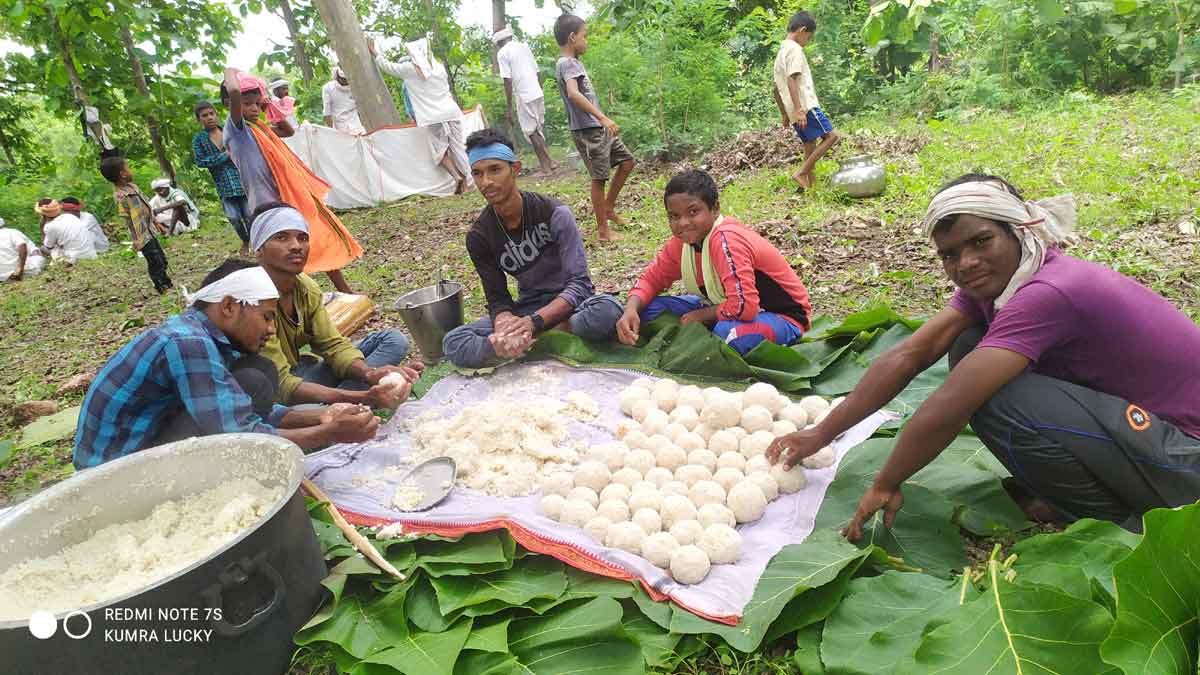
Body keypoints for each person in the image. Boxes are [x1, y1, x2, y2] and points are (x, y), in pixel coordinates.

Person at [768, 174, 1200, 535]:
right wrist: (821, 434)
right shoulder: (1005, 282)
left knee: (995, 397)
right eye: (951, 254)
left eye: (981, 242)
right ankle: (1084, 495)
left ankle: (1123, 527)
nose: (967, 263)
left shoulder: (1049, 292)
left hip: (1186, 456)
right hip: (1150, 433)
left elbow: (951, 404)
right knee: (967, 343)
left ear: (1020, 231)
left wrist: (886, 483)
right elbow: (911, 355)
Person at [73, 260, 401, 469]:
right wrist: (326, 432)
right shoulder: (187, 343)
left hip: (150, 440)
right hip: (116, 470)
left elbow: (246, 411)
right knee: (257, 385)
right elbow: (241, 435)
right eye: (266, 317)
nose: (271, 329)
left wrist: (326, 414)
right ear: (229, 306)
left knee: (256, 378)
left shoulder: (211, 338)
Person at [442, 129, 622, 368]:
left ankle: (529, 344)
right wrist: (505, 324)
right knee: (454, 342)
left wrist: (536, 323)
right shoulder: (479, 236)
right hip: (527, 309)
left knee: (606, 311)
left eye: (495, 169)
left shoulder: (554, 214)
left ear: (515, 169)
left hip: (570, 306)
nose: (486, 181)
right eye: (478, 173)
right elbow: (497, 297)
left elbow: (580, 285)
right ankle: (532, 343)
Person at [616, 169, 812, 356]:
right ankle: (708, 335)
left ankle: (711, 336)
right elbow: (651, 279)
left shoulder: (727, 240)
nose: (683, 222)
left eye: (693, 212)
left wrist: (702, 316)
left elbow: (745, 307)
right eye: (674, 216)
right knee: (649, 310)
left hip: (780, 316)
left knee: (729, 335)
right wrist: (630, 309)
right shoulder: (682, 243)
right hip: (719, 305)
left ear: (715, 208)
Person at [251, 202, 416, 407]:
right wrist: (362, 397)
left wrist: (370, 374)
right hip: (273, 390)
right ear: (258, 250)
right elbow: (282, 384)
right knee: (301, 410)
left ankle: (333, 404)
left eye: (302, 238)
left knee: (393, 340)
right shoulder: (251, 301)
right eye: (281, 237)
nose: (296, 246)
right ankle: (339, 404)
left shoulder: (305, 288)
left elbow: (332, 344)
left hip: (302, 372)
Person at [223, 67, 360, 293]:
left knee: (312, 237)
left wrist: (267, 103)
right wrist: (230, 71)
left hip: (286, 197)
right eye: (248, 104)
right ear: (230, 105)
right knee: (284, 256)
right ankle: (293, 300)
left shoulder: (261, 128)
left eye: (257, 104)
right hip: (266, 203)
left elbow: (288, 130)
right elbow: (235, 91)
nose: (255, 108)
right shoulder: (237, 129)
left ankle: (345, 292)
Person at [554, 13, 635, 243]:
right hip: (590, 130)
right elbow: (573, 93)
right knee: (599, 178)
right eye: (584, 36)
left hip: (596, 128)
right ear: (572, 37)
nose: (586, 41)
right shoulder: (568, 63)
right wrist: (602, 117)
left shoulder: (571, 63)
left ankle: (608, 208)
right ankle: (603, 232)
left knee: (627, 162)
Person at [370, 38, 472, 194]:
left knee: (439, 150)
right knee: (458, 147)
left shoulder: (409, 70)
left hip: (432, 117)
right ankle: (469, 180)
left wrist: (375, 52)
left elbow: (387, 66)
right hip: (451, 111)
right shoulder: (438, 68)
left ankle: (456, 177)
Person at [772, 11, 839, 191]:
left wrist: (785, 113)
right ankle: (801, 173)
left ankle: (811, 185)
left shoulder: (780, 53)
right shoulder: (795, 50)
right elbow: (791, 79)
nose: (807, 41)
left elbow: (775, 89)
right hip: (806, 106)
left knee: (809, 143)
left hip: (793, 110)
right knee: (832, 136)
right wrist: (800, 109)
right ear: (802, 30)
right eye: (808, 37)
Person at [99, 156, 173, 294]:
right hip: (142, 235)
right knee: (155, 261)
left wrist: (156, 223)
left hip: (149, 230)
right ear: (123, 173)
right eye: (128, 168)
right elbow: (134, 219)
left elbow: (147, 208)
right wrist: (139, 240)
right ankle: (162, 286)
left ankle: (166, 282)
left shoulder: (133, 187)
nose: (130, 170)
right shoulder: (122, 196)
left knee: (162, 259)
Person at [494, 26, 556, 174]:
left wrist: (509, 108)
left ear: (499, 42)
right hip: (536, 91)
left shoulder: (502, 53)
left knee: (530, 131)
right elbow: (537, 71)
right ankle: (550, 163)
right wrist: (539, 89)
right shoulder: (524, 47)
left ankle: (546, 167)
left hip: (524, 94)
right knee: (537, 129)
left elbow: (507, 80)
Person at [193, 100, 252, 255]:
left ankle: (255, 241)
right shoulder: (199, 140)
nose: (209, 118)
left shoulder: (229, 131)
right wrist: (223, 156)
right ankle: (245, 240)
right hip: (223, 186)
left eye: (212, 114)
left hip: (241, 181)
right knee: (233, 217)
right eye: (204, 115)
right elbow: (200, 161)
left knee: (249, 215)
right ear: (199, 119)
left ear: (217, 114)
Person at [35, 198, 97, 265]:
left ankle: (62, 262)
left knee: (42, 248)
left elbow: (48, 246)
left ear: (42, 214)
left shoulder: (49, 226)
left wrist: (42, 226)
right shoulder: (69, 216)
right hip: (91, 255)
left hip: (76, 258)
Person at [321, 67, 365, 135]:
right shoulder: (328, 88)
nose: (345, 82)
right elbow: (327, 114)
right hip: (340, 128)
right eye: (343, 79)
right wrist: (332, 133)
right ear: (338, 77)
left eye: (347, 79)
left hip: (357, 125)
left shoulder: (354, 86)